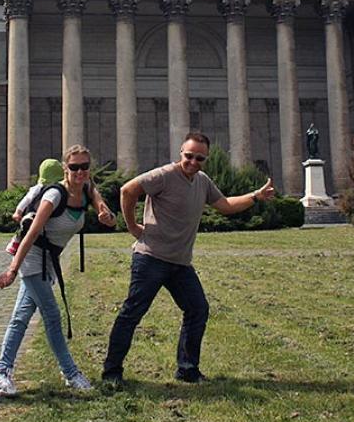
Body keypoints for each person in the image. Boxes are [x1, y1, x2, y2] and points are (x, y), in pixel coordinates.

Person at [101, 131, 275, 387]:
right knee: (132, 313)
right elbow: (128, 190)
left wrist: (256, 196)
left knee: (197, 309)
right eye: (189, 156)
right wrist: (132, 226)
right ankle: (111, 372)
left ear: (206, 159)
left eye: (200, 158)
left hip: (179, 263)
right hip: (150, 258)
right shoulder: (164, 175)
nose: (193, 162)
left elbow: (225, 205)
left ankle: (187, 369)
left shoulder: (202, 181)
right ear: (181, 153)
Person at [0, 144, 117, 396]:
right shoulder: (54, 196)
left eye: (84, 167)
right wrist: (13, 269)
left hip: (49, 259)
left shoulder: (88, 189)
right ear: (65, 168)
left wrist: (107, 216)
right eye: (74, 167)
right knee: (52, 316)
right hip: (33, 256)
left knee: (21, 317)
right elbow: (32, 232)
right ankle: (71, 373)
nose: (80, 172)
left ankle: (0, 374)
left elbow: (105, 211)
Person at [5, 158, 65, 255]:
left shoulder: (59, 190)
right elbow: (27, 199)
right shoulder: (38, 188)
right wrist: (18, 212)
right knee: (27, 224)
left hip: (48, 216)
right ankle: (15, 242)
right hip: (34, 214)